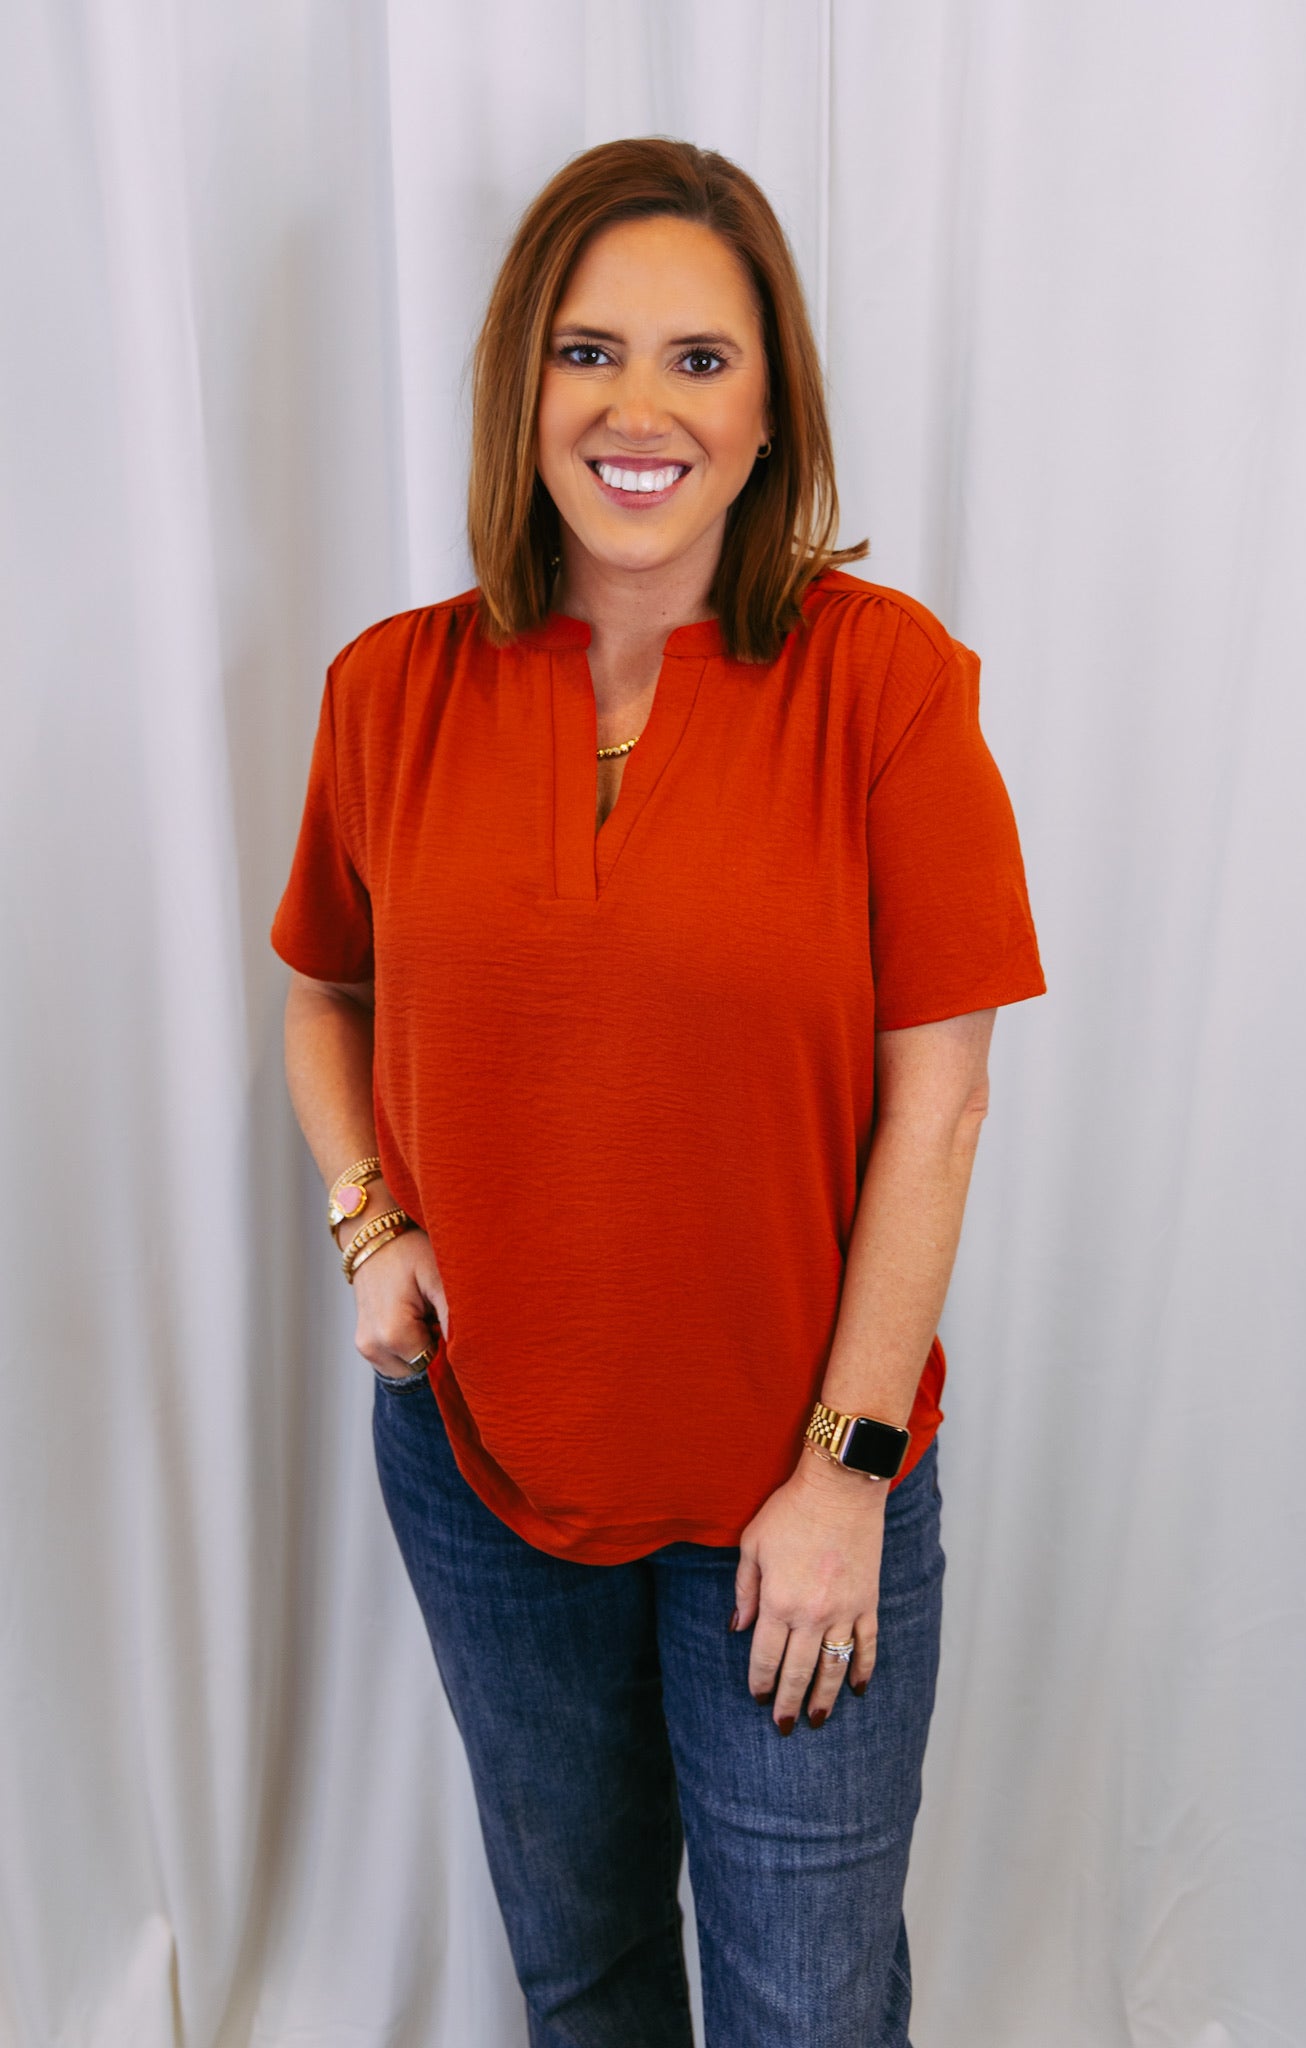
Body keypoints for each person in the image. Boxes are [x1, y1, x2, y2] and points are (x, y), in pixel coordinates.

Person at [272, 137, 1045, 2048]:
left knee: (805, 2005)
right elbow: (322, 987)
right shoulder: (391, 689)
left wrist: (844, 1477)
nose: (638, 407)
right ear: (519, 385)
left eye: (701, 360)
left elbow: (934, 1109)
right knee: (585, 1974)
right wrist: (375, 1220)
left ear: (773, 406)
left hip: (794, 1485)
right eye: (587, 350)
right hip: (480, 1468)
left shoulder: (887, 687)